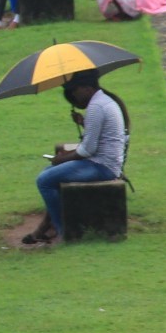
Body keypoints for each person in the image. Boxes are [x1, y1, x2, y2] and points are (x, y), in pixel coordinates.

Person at [23, 68, 126, 245]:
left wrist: (60, 159)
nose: (74, 96)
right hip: (104, 162)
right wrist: (83, 123)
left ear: (86, 88)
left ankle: (64, 230)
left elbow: (87, 150)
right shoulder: (103, 102)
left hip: (101, 166)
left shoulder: (96, 107)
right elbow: (98, 138)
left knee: (44, 180)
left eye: (75, 91)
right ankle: (51, 225)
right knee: (50, 172)